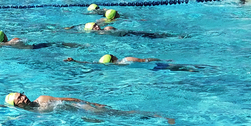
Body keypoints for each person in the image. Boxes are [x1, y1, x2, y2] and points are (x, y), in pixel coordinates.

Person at [3, 91, 174, 123]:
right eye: (20, 98)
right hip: (79, 116)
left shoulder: (42, 99)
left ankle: (158, 115)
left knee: (119, 114)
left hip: (82, 108)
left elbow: (68, 99)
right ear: (16, 105)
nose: (24, 98)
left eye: (22, 94)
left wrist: (91, 104)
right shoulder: (30, 114)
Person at [64, 55, 202, 71]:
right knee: (176, 66)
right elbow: (145, 60)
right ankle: (197, 67)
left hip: (149, 71)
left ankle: (191, 69)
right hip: (153, 66)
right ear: (113, 58)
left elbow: (92, 63)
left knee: (174, 69)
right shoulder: (126, 60)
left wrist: (75, 61)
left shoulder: (114, 66)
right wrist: (162, 59)